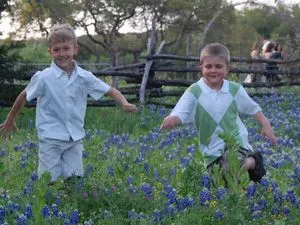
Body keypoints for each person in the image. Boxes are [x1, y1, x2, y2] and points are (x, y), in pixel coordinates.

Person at [0, 23, 138, 183]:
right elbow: (24, 95)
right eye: (56, 49)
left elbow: (110, 90)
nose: (61, 53)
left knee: (74, 179)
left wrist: (124, 103)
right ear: (50, 51)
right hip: (50, 135)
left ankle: (70, 203)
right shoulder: (44, 77)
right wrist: (11, 118)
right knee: (48, 180)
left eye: (66, 48)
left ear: (75, 49)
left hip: (75, 137)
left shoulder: (85, 77)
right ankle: (49, 203)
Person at [160, 43, 276, 182]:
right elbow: (182, 111)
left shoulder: (235, 89)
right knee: (220, 181)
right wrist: (174, 119)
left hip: (235, 143)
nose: (213, 70)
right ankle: (245, 182)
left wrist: (266, 125)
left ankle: (252, 161)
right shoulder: (194, 91)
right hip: (211, 149)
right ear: (201, 68)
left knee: (231, 167)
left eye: (219, 66)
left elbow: (253, 108)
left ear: (227, 69)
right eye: (209, 66)